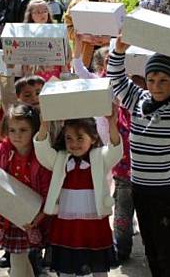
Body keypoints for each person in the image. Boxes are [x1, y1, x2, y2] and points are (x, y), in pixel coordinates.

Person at [108, 34, 170, 276]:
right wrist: (118, 52)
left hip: (165, 193)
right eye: (151, 79)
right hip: (140, 189)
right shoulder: (138, 100)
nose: (156, 85)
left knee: (168, 249)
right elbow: (117, 82)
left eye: (164, 80)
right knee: (151, 246)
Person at [0, 104, 51, 277]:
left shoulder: (41, 157)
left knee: (21, 260)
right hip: (9, 217)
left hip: (32, 219)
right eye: (12, 130)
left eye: (23, 130)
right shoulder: (1, 150)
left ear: (34, 129)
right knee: (18, 259)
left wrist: (39, 216)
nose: (17, 135)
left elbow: (48, 191)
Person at [34, 113, 122, 276]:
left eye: (80, 138)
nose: (74, 143)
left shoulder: (100, 158)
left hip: (94, 219)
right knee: (67, 260)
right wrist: (44, 125)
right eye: (69, 138)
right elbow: (43, 152)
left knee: (98, 261)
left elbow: (115, 150)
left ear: (94, 138)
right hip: (67, 221)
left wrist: (112, 124)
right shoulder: (60, 158)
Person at [71, 41, 135, 264]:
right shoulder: (98, 81)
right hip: (102, 145)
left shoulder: (131, 86)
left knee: (123, 195)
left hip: (124, 148)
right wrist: (79, 41)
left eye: (117, 58)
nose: (113, 62)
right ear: (102, 64)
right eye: (108, 59)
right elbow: (78, 66)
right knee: (106, 188)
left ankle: (123, 231)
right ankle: (108, 227)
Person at [63, 0, 118, 67]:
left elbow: (122, 29)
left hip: (107, 55)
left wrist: (109, 39)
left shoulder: (113, 2)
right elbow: (67, 28)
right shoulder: (76, 3)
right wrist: (83, 37)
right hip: (84, 54)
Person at [22, 0, 67, 81]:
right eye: (38, 12)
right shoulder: (25, 34)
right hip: (35, 75)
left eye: (45, 11)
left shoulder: (57, 30)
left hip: (55, 74)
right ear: (31, 15)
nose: (42, 14)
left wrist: (64, 73)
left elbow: (64, 54)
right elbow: (24, 59)